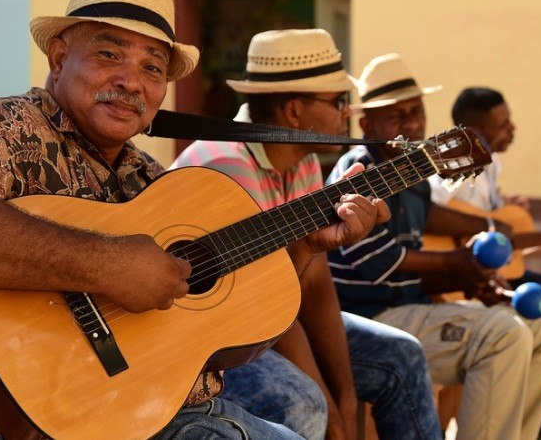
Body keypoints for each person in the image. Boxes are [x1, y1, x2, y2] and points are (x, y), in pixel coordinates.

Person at [0, 0, 388, 438]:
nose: (131, 81)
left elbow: (230, 338)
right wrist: (102, 264)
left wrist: (302, 246)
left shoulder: (150, 176)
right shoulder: (3, 128)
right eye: (109, 54)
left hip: (163, 412)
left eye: (152, 68)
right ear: (58, 56)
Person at [172, 29, 441, 440]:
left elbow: (313, 278)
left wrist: (347, 393)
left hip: (267, 318)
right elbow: (264, 306)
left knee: (401, 354)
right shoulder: (226, 166)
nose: (348, 114)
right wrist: (334, 409)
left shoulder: (302, 161)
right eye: (338, 102)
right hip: (206, 345)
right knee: (302, 403)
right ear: (295, 113)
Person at [327, 53, 541, 440]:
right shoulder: (358, 168)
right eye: (397, 116)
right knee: (504, 335)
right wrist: (454, 263)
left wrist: (468, 282)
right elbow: (378, 265)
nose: (413, 123)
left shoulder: (414, 171)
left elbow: (413, 273)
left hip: (408, 310)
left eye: (417, 111)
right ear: (366, 124)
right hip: (370, 321)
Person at [429, 86, 541, 440]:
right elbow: (434, 216)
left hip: (498, 265)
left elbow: (487, 213)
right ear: (476, 130)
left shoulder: (491, 162)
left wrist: (504, 207)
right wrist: (491, 225)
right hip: (466, 273)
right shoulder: (453, 165)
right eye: (504, 123)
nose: (512, 129)